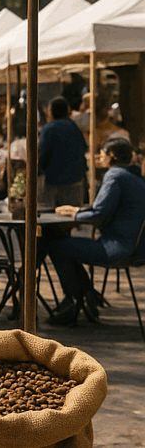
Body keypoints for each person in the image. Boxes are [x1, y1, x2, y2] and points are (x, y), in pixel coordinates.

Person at [45, 137, 145, 326]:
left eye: (102, 153)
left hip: (117, 248)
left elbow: (99, 213)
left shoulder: (115, 175)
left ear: (112, 156)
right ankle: (85, 293)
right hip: (137, 248)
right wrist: (78, 212)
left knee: (58, 246)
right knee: (63, 244)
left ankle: (75, 300)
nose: (99, 157)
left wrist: (74, 215)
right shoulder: (137, 178)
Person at [39, 96, 88, 209]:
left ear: (51, 111)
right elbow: (83, 147)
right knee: (70, 215)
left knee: (51, 215)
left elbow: (44, 153)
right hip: (74, 179)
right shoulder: (74, 127)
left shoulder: (48, 129)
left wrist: (40, 171)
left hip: (53, 180)